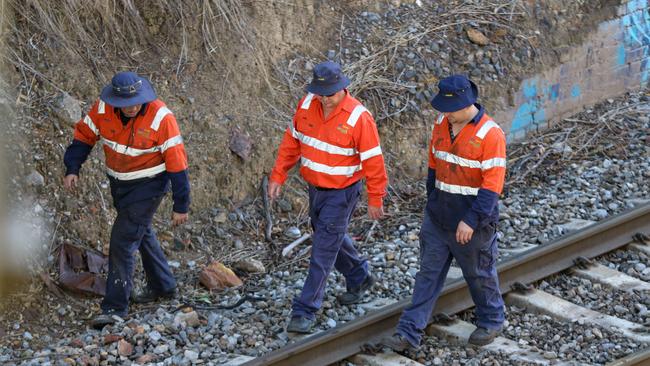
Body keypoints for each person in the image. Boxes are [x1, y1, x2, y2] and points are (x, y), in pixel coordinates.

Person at [378, 75, 507, 350]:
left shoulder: (490, 135)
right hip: (438, 218)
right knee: (427, 275)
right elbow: (434, 167)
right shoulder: (441, 124)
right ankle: (408, 332)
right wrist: (432, 203)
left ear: (466, 104)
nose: (444, 114)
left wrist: (470, 221)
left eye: (449, 109)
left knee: (479, 274)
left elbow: (492, 187)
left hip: (472, 223)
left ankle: (492, 319)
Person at [63, 71, 190, 329]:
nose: (131, 108)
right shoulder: (102, 109)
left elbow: (177, 164)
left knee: (122, 242)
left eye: (136, 102)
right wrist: (72, 167)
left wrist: (181, 204)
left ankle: (114, 308)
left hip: (150, 186)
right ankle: (163, 285)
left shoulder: (161, 117)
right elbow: (84, 136)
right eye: (125, 104)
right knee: (140, 233)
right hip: (119, 184)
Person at [268, 61, 388, 333]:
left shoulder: (359, 118)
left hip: (343, 192)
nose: (325, 99)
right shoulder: (307, 105)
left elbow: (373, 162)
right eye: (321, 93)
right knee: (329, 236)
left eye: (330, 94)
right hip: (315, 189)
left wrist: (375, 197)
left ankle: (305, 309)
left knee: (322, 249)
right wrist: (278, 175)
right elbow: (291, 142)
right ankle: (359, 275)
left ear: (343, 88)